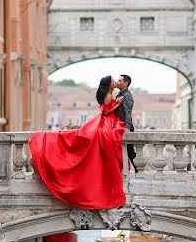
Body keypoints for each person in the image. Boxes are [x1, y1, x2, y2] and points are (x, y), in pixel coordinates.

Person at [29, 76, 126, 210]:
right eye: (113, 81)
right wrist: (118, 104)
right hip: (106, 121)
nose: (115, 82)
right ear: (109, 85)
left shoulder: (111, 93)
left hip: (106, 121)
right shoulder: (109, 95)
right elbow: (106, 111)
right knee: (98, 137)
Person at [115, 75, 137, 172]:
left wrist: (127, 127)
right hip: (119, 126)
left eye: (120, 80)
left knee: (130, 151)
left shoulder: (127, 96)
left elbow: (128, 112)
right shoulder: (121, 94)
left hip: (125, 126)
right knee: (127, 151)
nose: (117, 82)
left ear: (126, 83)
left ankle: (138, 169)